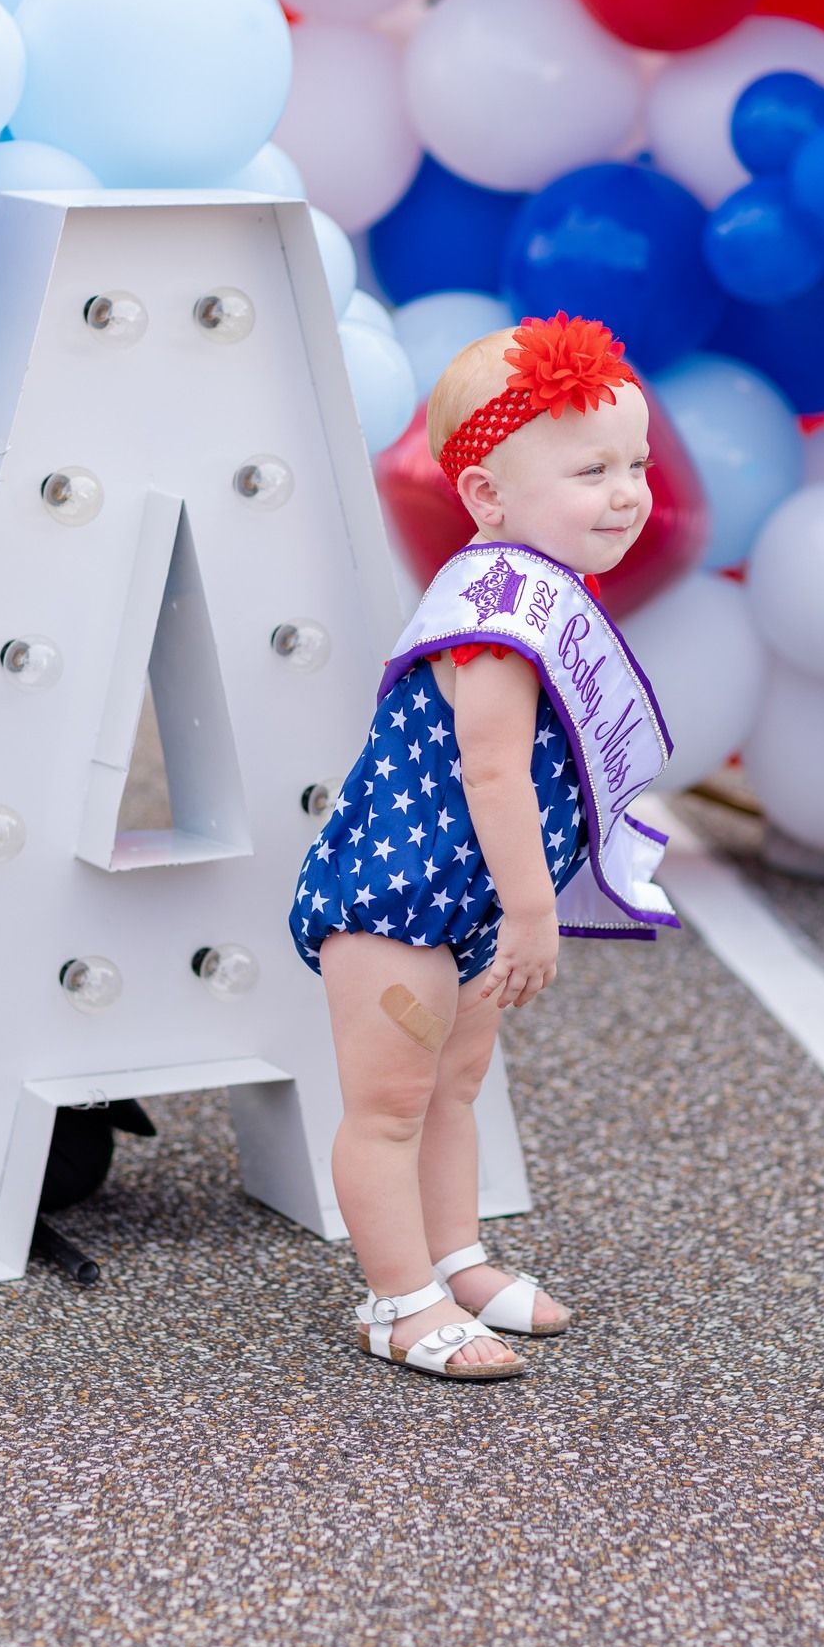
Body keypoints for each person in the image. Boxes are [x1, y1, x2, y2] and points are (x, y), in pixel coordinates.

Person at [289, 312, 679, 1382]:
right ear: (487, 497)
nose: (627, 489)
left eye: (636, 462)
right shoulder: (495, 618)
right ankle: (396, 1298)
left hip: (461, 898)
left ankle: (453, 1256)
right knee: (390, 1104)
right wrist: (535, 911)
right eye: (591, 467)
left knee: (455, 1085)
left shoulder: (546, 591)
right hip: (397, 896)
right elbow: (492, 770)